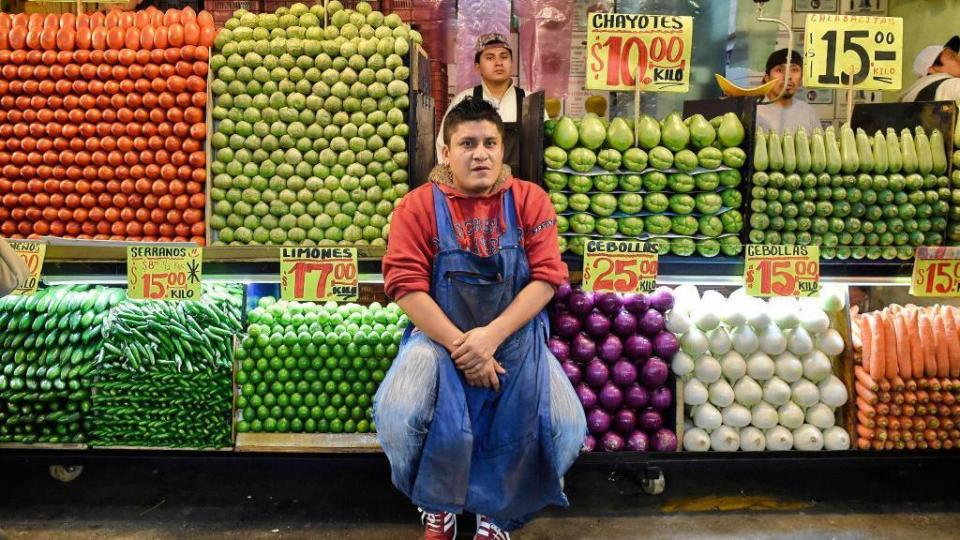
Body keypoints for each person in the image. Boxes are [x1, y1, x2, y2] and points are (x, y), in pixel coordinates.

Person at [378, 97, 586, 540]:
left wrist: (491, 337)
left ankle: (501, 511)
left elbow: (548, 279)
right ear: (445, 152)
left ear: (502, 148)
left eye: (490, 142)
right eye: (467, 143)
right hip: (437, 339)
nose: (480, 153)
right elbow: (405, 285)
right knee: (396, 416)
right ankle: (435, 502)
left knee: (568, 429)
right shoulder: (416, 207)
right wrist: (464, 346)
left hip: (514, 338)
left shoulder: (530, 200)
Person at [436, 33, 527, 174]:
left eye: (504, 57)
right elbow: (443, 146)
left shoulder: (530, 100)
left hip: (521, 192)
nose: (498, 63)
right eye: (490, 57)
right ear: (477, 67)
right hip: (474, 191)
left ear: (512, 63)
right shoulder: (463, 99)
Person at [756, 48, 821, 134]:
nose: (787, 76)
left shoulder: (808, 112)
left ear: (801, 79)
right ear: (767, 78)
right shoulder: (755, 113)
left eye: (794, 70)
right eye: (779, 70)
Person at [900, 36, 960, 102]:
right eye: (952, 57)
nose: (958, 59)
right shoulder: (952, 85)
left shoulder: (915, 95)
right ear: (932, 69)